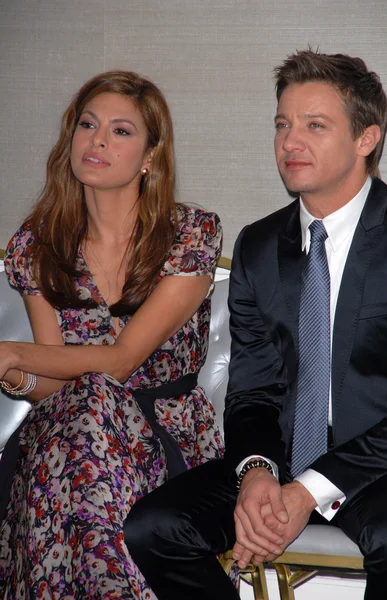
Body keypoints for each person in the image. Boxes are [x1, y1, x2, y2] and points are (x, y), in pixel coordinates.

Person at [124, 49, 387, 600]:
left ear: (366, 138)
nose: (289, 142)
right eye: (282, 124)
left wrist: (307, 492)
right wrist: (255, 472)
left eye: (314, 126)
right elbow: (251, 389)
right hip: (279, 458)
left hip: (379, 468)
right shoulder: (257, 245)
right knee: (154, 527)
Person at [0, 70, 224, 599]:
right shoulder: (37, 245)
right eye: (87, 124)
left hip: (163, 435)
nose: (97, 140)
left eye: (121, 131)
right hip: (71, 434)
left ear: (151, 156)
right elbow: (53, 382)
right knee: (84, 409)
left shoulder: (189, 234)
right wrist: (16, 378)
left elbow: (121, 362)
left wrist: (10, 352)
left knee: (95, 397)